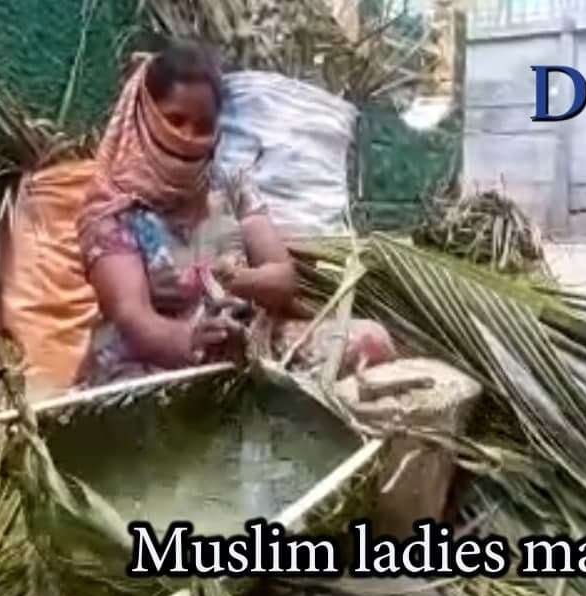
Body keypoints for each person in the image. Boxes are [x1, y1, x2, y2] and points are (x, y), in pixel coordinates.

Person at [75, 42, 394, 384]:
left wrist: (238, 281)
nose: (188, 138)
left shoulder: (230, 185)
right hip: (149, 363)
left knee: (369, 341)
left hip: (242, 345)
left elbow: (282, 277)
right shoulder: (114, 208)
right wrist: (193, 341)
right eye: (175, 120)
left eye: (202, 126)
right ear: (145, 115)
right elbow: (132, 317)